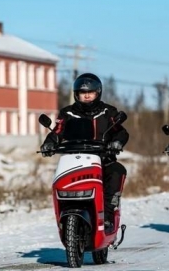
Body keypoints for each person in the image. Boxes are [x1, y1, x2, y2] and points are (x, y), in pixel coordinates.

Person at [40, 73, 129, 231]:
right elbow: (57, 132)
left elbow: (121, 132)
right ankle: (64, 215)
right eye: (83, 92)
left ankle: (108, 215)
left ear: (98, 93)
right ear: (76, 94)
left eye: (91, 92)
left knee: (117, 170)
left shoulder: (108, 112)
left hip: (103, 159)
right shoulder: (68, 113)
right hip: (75, 159)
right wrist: (49, 144)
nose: (87, 95)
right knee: (61, 177)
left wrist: (116, 142)